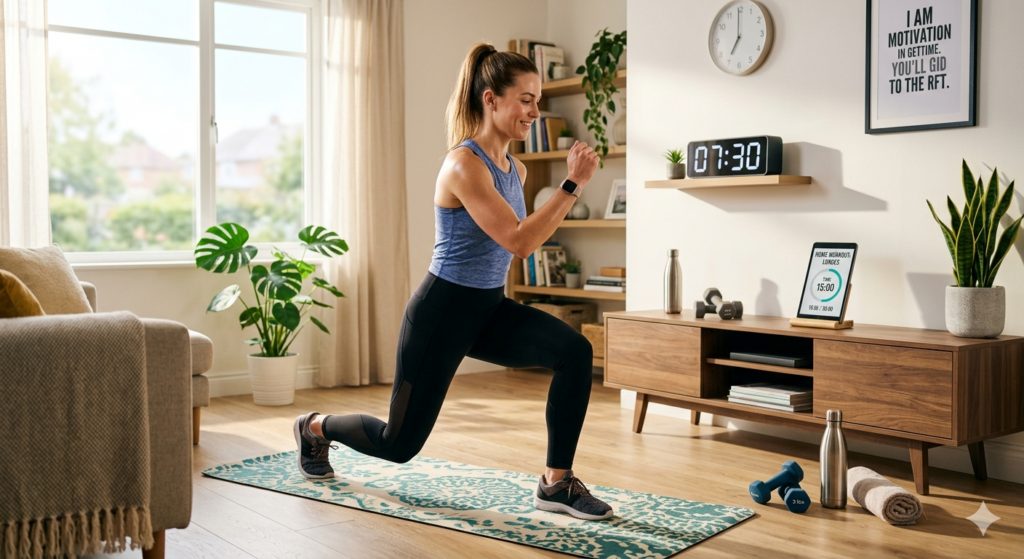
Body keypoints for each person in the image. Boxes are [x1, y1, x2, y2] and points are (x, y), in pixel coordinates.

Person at [294, 43, 611, 521]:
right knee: (397, 445)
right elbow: (521, 242)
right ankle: (315, 427)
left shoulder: (516, 169)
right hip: (441, 314)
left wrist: (568, 188)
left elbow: (521, 240)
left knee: (575, 351)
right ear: (491, 100)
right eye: (525, 99)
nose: (534, 110)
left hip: (488, 309)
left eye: (537, 99)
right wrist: (571, 185)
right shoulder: (463, 164)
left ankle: (556, 482)